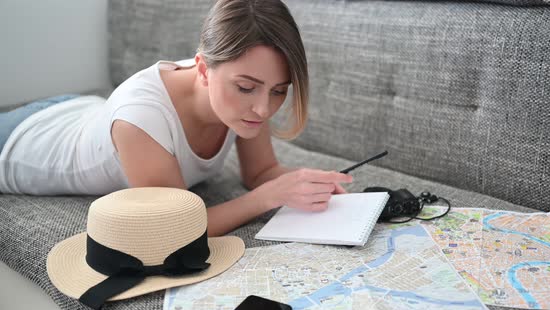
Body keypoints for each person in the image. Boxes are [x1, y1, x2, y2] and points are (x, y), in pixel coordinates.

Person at [0, 0, 353, 236]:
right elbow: (174, 227)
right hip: (21, 143)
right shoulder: (140, 119)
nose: (264, 109)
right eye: (247, 87)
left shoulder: (239, 93)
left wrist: (311, 182)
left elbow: (260, 173)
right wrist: (267, 198)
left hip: (78, 109)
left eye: (279, 91)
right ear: (203, 69)